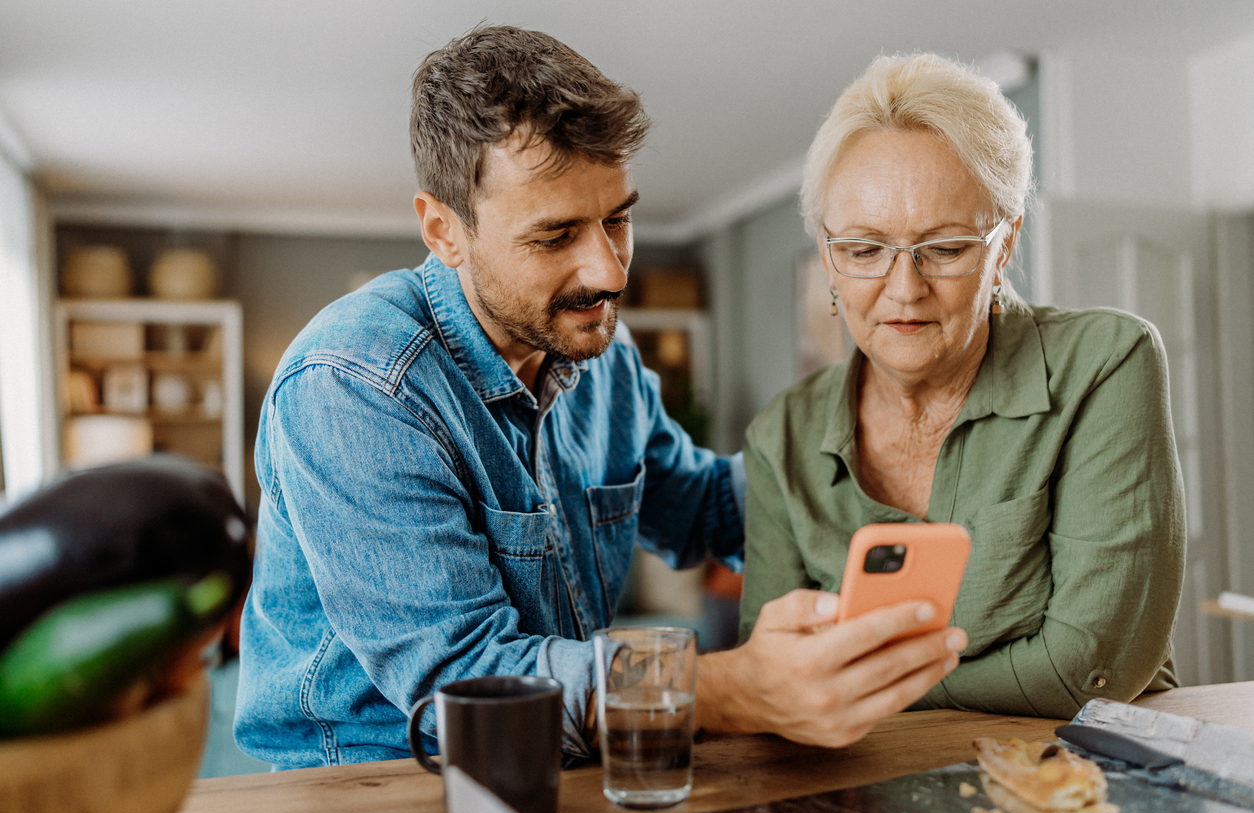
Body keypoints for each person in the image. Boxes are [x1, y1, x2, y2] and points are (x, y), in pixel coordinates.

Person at [235, 26, 966, 769]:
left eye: (617, 219)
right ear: (443, 229)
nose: (609, 271)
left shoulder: (598, 350)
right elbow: (468, 683)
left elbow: (705, 506)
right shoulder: (354, 385)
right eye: (556, 237)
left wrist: (899, 450)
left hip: (568, 760)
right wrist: (724, 690)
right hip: (374, 782)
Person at [741, 53, 1185, 720]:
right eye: (864, 251)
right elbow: (774, 668)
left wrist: (864, 688)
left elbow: (1089, 667)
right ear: (828, 257)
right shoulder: (781, 433)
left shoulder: (1106, 363)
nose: (904, 290)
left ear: (1004, 245)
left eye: (946, 248)